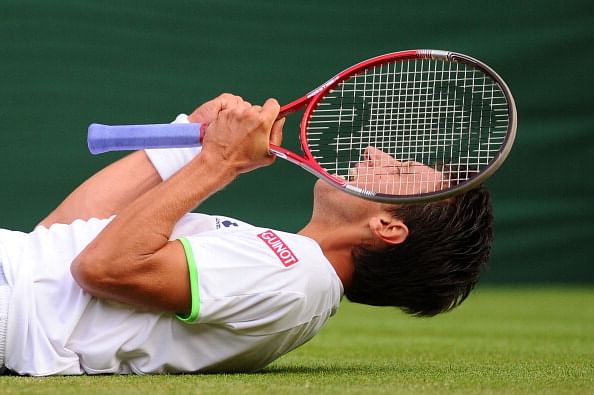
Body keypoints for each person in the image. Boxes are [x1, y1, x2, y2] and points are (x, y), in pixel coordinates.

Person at [0, 94, 493, 376]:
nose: (374, 153)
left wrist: (222, 161)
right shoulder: (292, 266)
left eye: (400, 169)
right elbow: (61, 238)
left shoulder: (298, 275)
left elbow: (102, 268)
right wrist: (189, 144)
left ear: (388, 227)